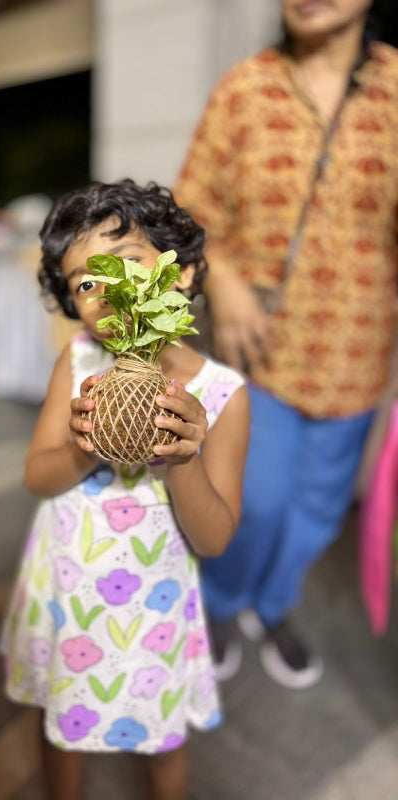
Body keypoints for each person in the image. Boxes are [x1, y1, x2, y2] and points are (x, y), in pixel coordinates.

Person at [0, 180, 249, 800]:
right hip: (69, 585)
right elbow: (37, 475)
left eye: (126, 263)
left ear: (182, 276)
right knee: (63, 728)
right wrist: (85, 448)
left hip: (154, 605)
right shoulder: (79, 363)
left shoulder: (222, 394)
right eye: (84, 280)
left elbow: (214, 538)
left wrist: (183, 456)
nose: (106, 286)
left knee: (162, 740)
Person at [174, 0, 398, 689]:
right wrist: (229, 281)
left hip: (358, 356)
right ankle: (217, 603)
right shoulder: (246, 87)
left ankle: (273, 607)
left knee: (317, 513)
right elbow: (190, 207)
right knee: (255, 501)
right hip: (258, 355)